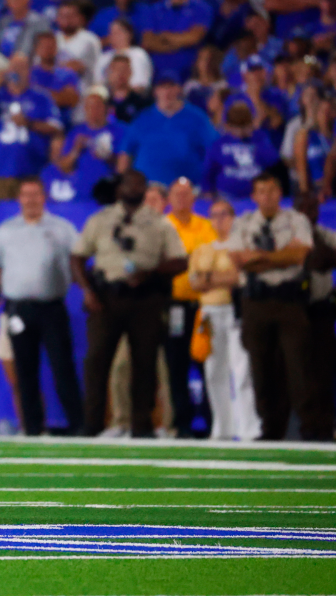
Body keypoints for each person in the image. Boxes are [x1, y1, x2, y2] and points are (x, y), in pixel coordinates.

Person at [72, 169, 188, 437]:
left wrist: (153, 272)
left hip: (146, 299)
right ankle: (92, 424)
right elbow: (77, 257)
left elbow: (181, 260)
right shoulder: (100, 220)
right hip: (106, 298)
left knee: (145, 364)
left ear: (145, 189)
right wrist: (88, 292)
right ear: (119, 188)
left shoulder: (159, 222)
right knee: (97, 362)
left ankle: (141, 425)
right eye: (129, 183)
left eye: (140, 184)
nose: (134, 187)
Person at [225, 173, 321, 440]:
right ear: (254, 196)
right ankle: (269, 428)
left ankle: (310, 428)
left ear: (280, 193)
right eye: (261, 191)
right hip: (255, 301)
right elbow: (237, 259)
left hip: (289, 301)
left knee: (298, 365)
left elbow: (299, 254)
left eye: (271, 191)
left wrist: (259, 257)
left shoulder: (295, 220)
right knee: (260, 367)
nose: (266, 196)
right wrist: (281, 257)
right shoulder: (243, 222)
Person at [0, 178, 83, 436]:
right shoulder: (5, 231)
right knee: (24, 370)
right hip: (19, 309)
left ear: (44, 197)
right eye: (25, 195)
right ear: (18, 199)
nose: (30, 200)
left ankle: (78, 425)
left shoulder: (63, 229)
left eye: (35, 194)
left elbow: (78, 262)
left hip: (52, 307)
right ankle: (32, 427)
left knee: (63, 367)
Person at [189, 199, 261, 440]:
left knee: (241, 370)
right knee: (213, 371)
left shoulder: (240, 247)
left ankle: (247, 428)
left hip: (234, 311)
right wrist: (218, 277)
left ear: (233, 217)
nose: (219, 220)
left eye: (223, 215)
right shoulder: (203, 248)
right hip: (209, 313)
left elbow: (238, 278)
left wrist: (209, 276)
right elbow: (195, 283)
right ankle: (222, 428)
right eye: (214, 215)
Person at [163, 177, 218, 438]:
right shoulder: (163, 226)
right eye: (177, 194)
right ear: (169, 199)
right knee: (177, 364)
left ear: (194, 199)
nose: (182, 199)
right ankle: (181, 423)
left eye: (186, 194)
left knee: (207, 361)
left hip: (204, 307)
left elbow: (216, 258)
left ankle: (211, 420)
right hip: (175, 306)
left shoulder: (206, 226)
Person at [0, 52, 62, 199]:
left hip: (31, 171)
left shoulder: (41, 97)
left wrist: (29, 123)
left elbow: (55, 127)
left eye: (21, 67)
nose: (17, 70)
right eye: (14, 66)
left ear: (29, 70)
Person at [117, 70, 219, 186]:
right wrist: (123, 184)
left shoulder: (198, 118)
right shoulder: (142, 119)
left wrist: (209, 185)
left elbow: (214, 149)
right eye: (162, 87)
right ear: (155, 91)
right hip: (148, 191)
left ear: (179, 89)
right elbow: (126, 153)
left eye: (171, 86)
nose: (167, 91)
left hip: (186, 190)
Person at [297, 195, 336, 442]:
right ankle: (303, 423)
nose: (309, 211)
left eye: (313, 207)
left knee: (323, 367)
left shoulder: (324, 234)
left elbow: (324, 258)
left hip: (321, 307)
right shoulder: (285, 229)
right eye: (305, 207)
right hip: (292, 307)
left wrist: (317, 246)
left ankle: (324, 423)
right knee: (297, 369)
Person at [55, 86, 124, 201]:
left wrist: (106, 156)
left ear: (106, 108)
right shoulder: (76, 132)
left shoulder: (120, 131)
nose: (94, 110)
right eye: (90, 106)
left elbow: (126, 164)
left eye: (98, 106)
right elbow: (64, 166)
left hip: (109, 192)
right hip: (81, 192)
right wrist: (76, 150)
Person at [203, 101, 280, 200]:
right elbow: (208, 172)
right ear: (227, 126)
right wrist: (207, 193)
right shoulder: (219, 144)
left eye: (244, 126)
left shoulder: (260, 138)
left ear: (251, 124)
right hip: (226, 196)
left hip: (256, 196)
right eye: (236, 127)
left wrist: (254, 138)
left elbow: (272, 160)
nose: (240, 131)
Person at [140, 0, 213, 81]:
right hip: (157, 73)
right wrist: (181, 41)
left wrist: (164, 37)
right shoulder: (154, 9)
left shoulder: (201, 8)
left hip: (189, 73)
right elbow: (148, 41)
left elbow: (194, 37)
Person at [93, 19, 152, 92]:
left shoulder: (138, 54)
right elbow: (98, 84)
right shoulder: (104, 57)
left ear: (129, 34)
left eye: (118, 32)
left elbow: (140, 84)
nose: (114, 36)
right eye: (112, 33)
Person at [294, 96, 334, 194]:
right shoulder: (306, 136)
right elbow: (301, 166)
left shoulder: (334, 136)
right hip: (314, 188)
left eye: (329, 110)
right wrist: (304, 192)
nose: (326, 114)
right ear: (316, 113)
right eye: (322, 111)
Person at [106, 54, 153, 125]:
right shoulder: (104, 102)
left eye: (124, 69)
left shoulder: (142, 102)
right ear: (109, 73)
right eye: (116, 70)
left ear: (131, 72)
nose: (120, 74)